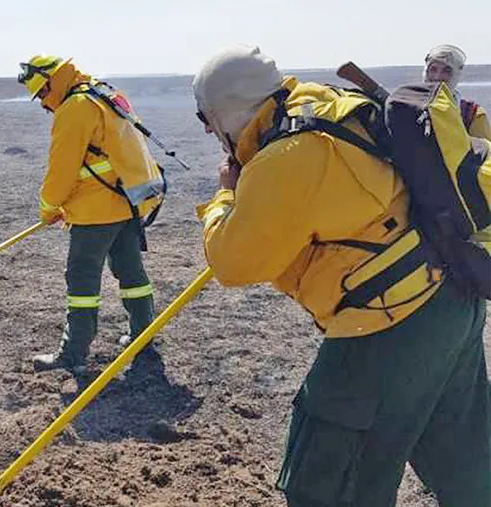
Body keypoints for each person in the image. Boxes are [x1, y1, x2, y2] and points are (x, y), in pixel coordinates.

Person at [192, 45, 489, 506]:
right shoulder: (325, 104)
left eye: (206, 117)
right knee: (464, 461)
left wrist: (224, 198)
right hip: (451, 298)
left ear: (225, 112)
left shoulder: (284, 158)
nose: (209, 129)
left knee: (328, 481)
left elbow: (233, 263)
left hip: (387, 326)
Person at [17, 55, 162, 374]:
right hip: (127, 202)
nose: (43, 103)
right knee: (131, 272)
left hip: (96, 210)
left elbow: (62, 169)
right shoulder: (103, 93)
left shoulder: (75, 107)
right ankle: (143, 337)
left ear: (54, 81)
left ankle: (73, 352)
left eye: (43, 93)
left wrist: (48, 206)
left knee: (82, 278)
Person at [424, 44, 491, 140]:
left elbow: (486, 152)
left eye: (446, 71)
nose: (437, 77)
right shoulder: (406, 106)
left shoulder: (472, 114)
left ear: (455, 75)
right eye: (433, 69)